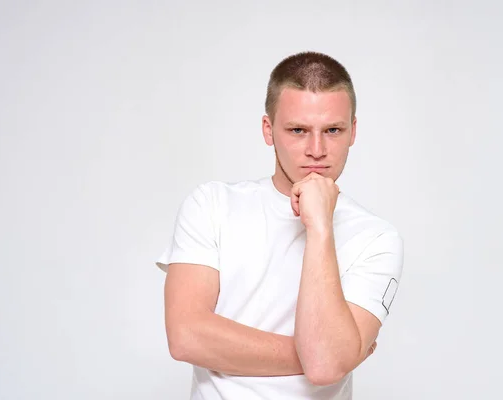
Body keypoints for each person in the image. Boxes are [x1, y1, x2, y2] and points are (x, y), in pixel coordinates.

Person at [155, 51, 404, 400]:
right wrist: (329, 353)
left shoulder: (377, 238)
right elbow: (186, 337)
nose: (316, 150)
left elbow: (325, 368)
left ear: (353, 131)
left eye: (333, 130)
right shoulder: (211, 204)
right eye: (298, 130)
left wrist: (320, 227)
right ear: (268, 130)